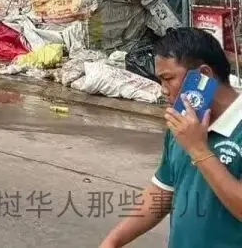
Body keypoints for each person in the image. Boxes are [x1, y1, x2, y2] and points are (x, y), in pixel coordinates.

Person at [100, 27, 242, 247]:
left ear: (203, 75)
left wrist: (199, 150)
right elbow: (162, 192)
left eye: (168, 79)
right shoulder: (182, 124)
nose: (163, 90)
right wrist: (113, 241)